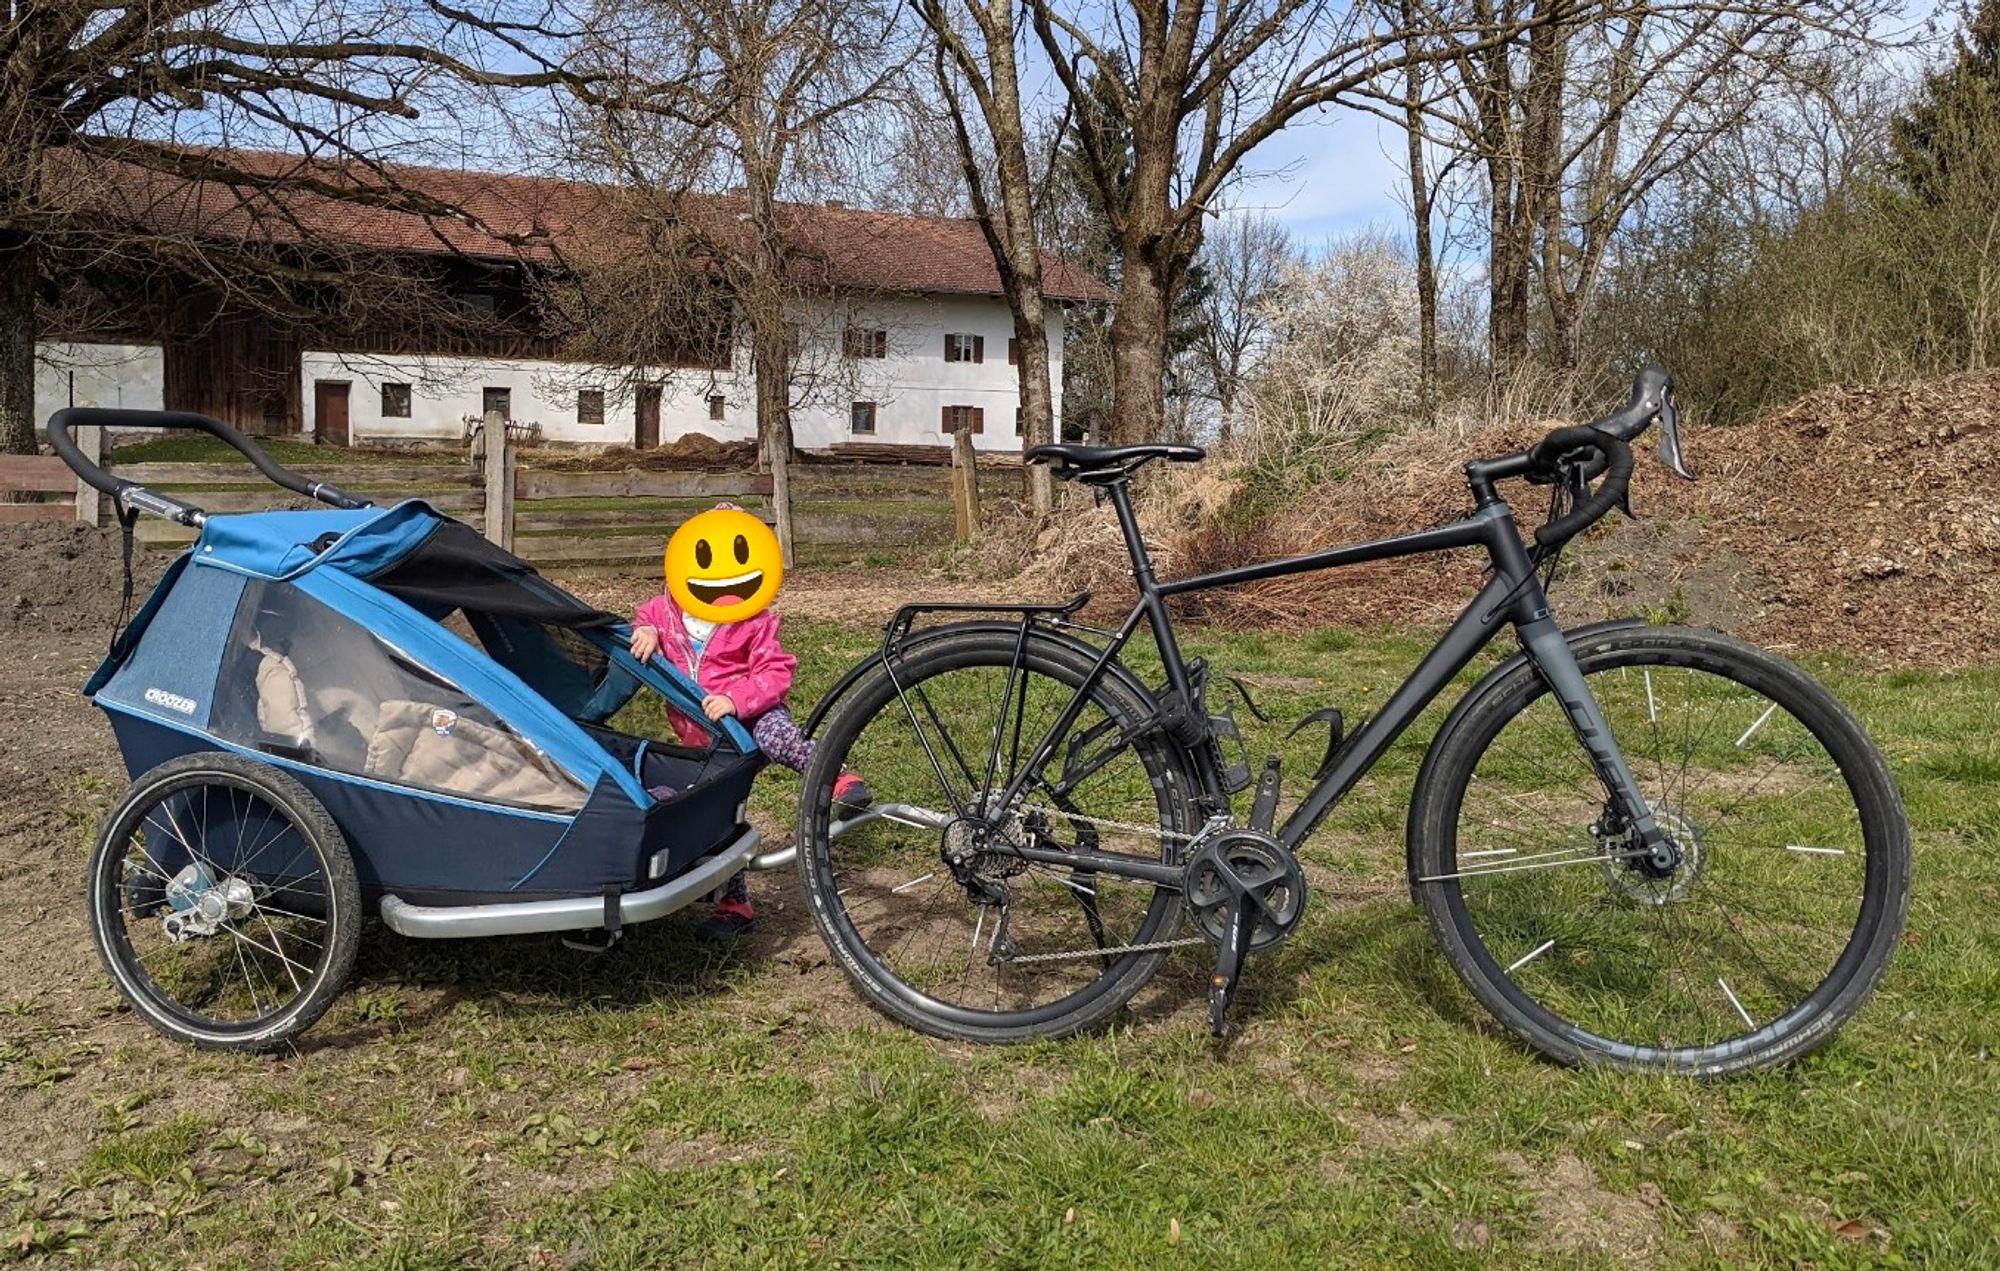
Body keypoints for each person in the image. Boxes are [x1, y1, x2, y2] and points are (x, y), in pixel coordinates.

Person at [630, 506, 870, 939]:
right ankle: (734, 903)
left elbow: (776, 672)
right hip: (706, 736)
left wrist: (736, 700)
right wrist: (645, 632)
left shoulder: (754, 619)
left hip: (754, 716)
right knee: (714, 811)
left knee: (782, 741)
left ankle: (839, 778)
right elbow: (645, 622)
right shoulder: (664, 611)